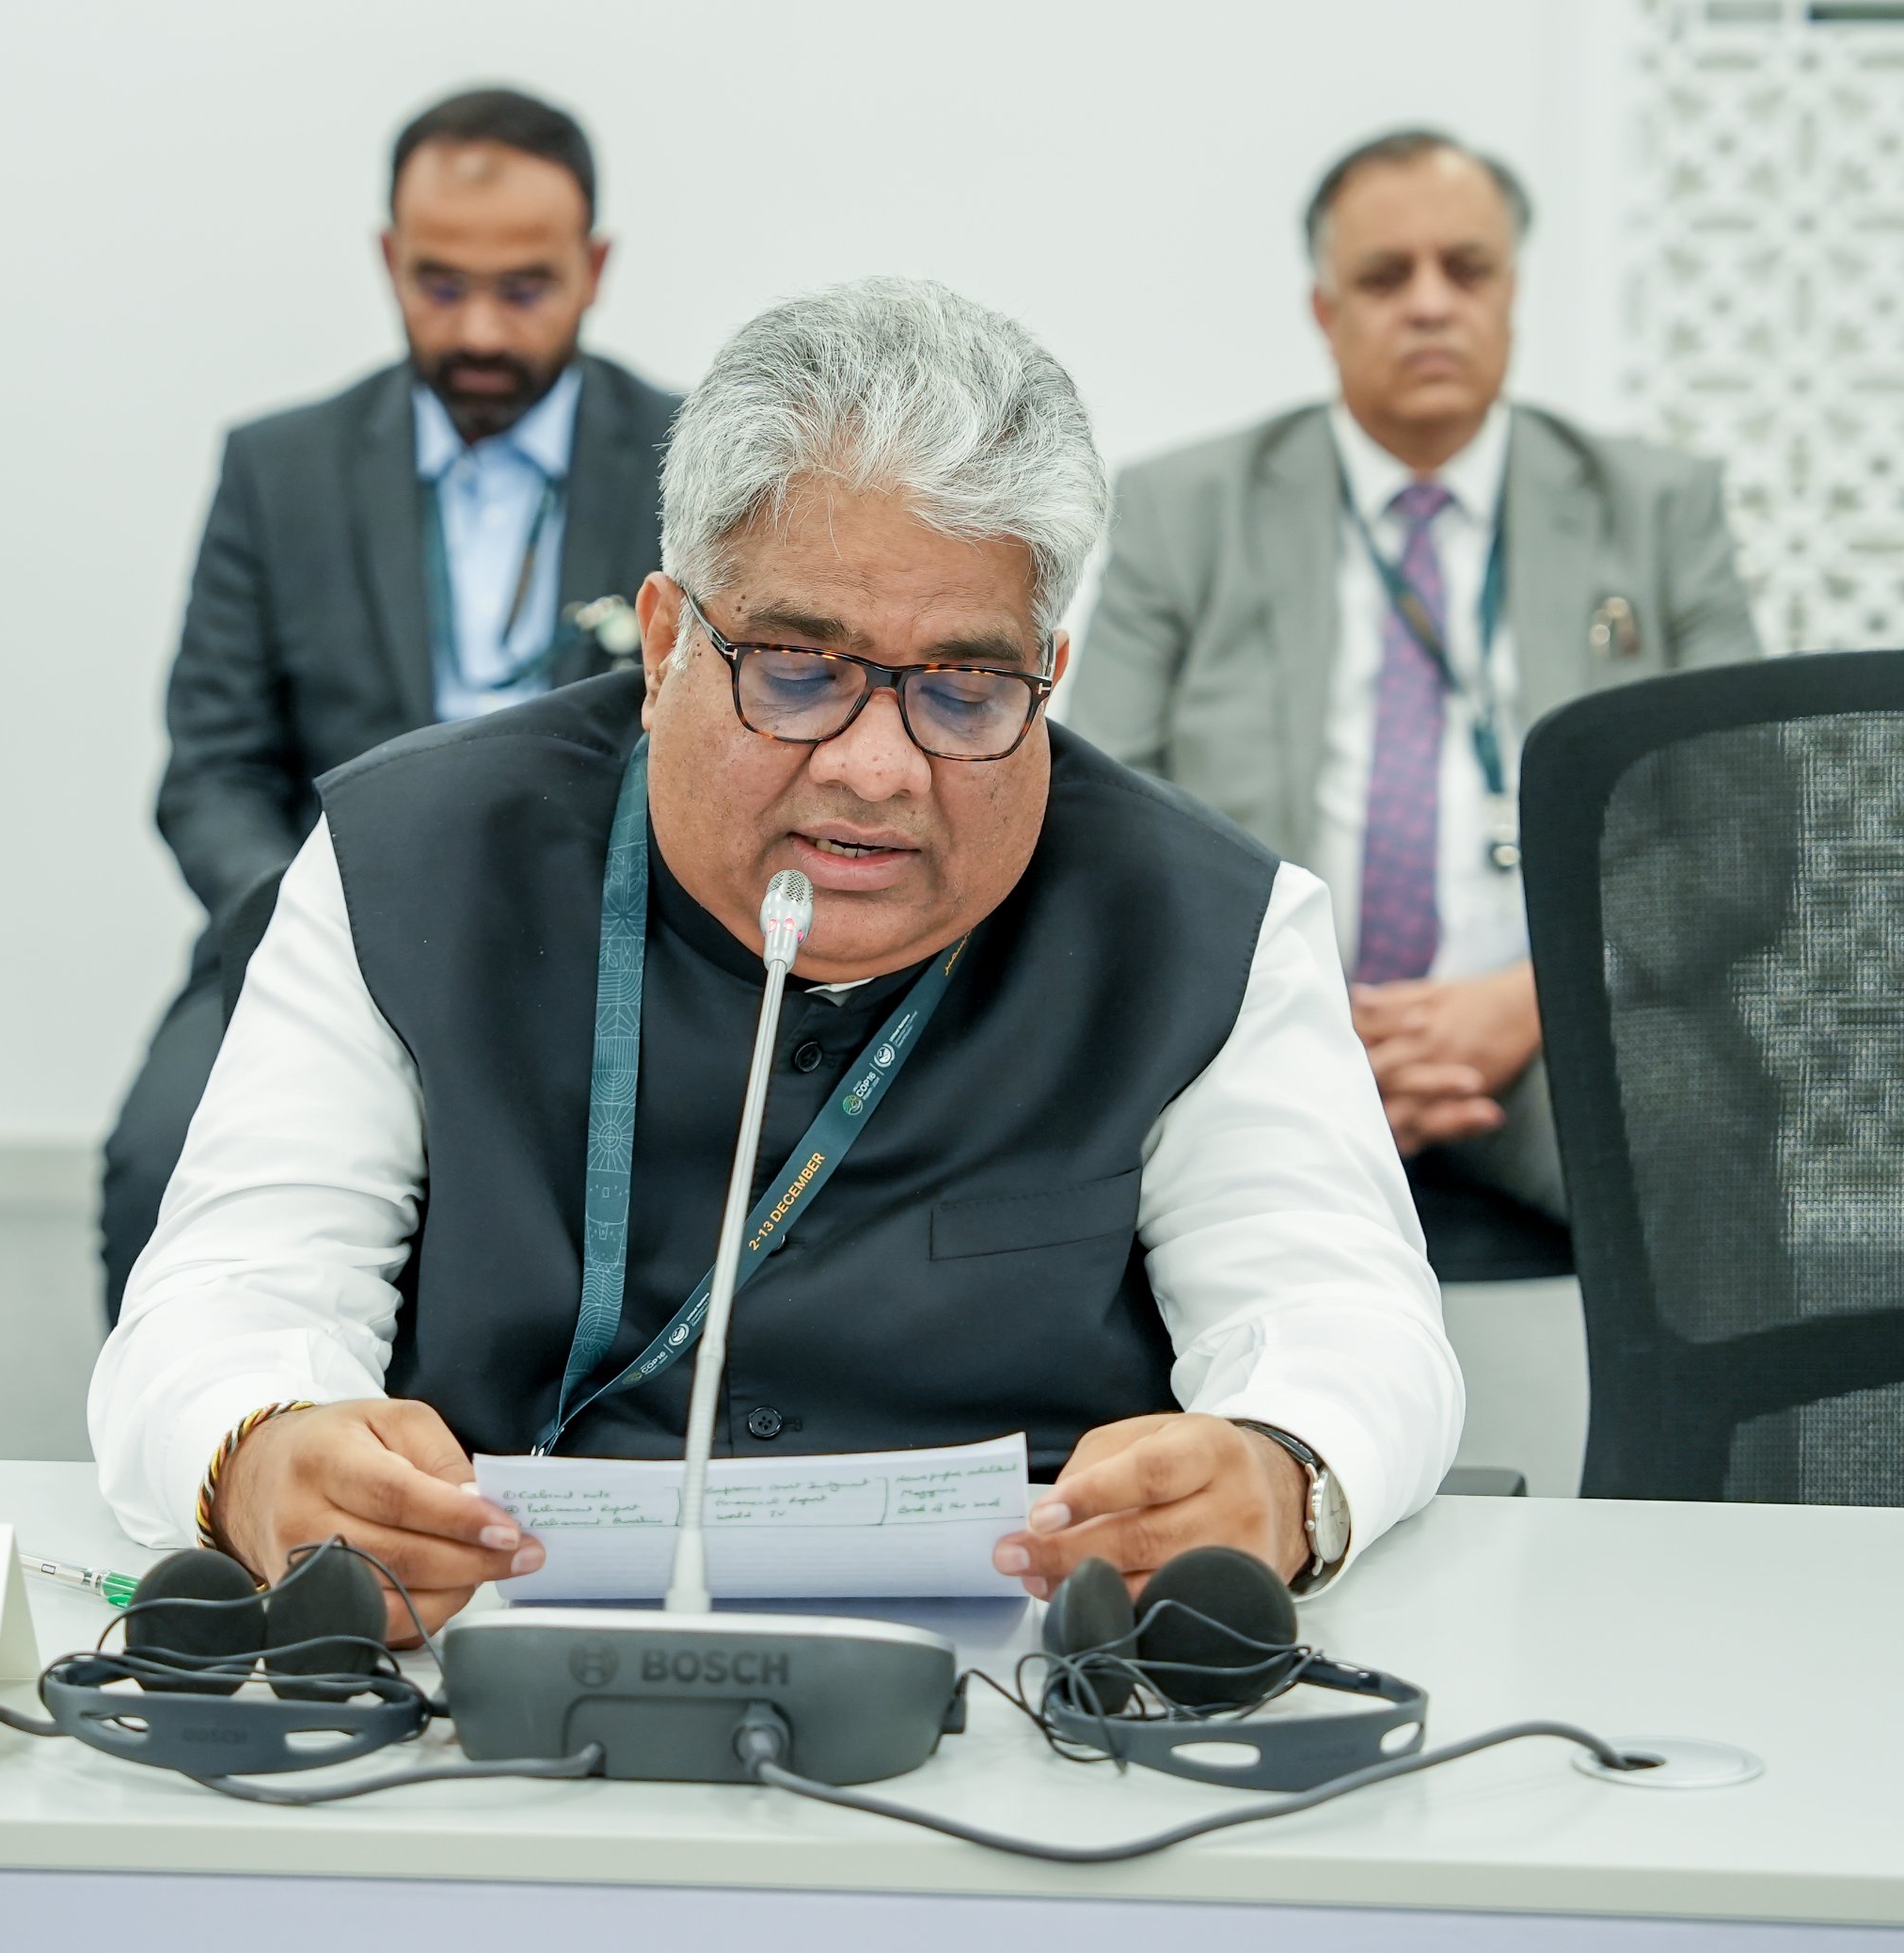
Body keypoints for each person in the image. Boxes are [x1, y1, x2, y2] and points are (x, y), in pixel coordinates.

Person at [90, 279, 1458, 1633]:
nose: (876, 770)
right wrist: (261, 1450)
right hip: (486, 1650)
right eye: (799, 669)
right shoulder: (412, 857)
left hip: (1030, 1694)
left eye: (963, 689)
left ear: (1046, 669)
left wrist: (1281, 1470)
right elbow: (229, 1290)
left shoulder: (1208, 921)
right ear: (668, 640)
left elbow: (1346, 1318)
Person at [1074, 130, 1756, 1264]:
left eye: (1466, 270)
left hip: (1552, 1025)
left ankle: (1713, 1448)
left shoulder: (1654, 509)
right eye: (1386, 278)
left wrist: (1534, 998)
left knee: (1695, 1136)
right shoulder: (1183, 512)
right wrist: (1306, 1024)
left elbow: (1739, 835)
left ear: (1512, 292)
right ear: (1324, 310)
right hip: (1260, 1025)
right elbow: (1096, 807)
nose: (1430, 305)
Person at [96, 87, 676, 1312]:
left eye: (523, 288)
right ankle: (210, 1466)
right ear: (386, 260)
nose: (477, 327)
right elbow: (209, 765)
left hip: (615, 948)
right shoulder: (282, 467)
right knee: (160, 1160)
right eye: (437, 282)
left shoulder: (696, 458)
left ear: (596, 267)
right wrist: (316, 931)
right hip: (314, 935)